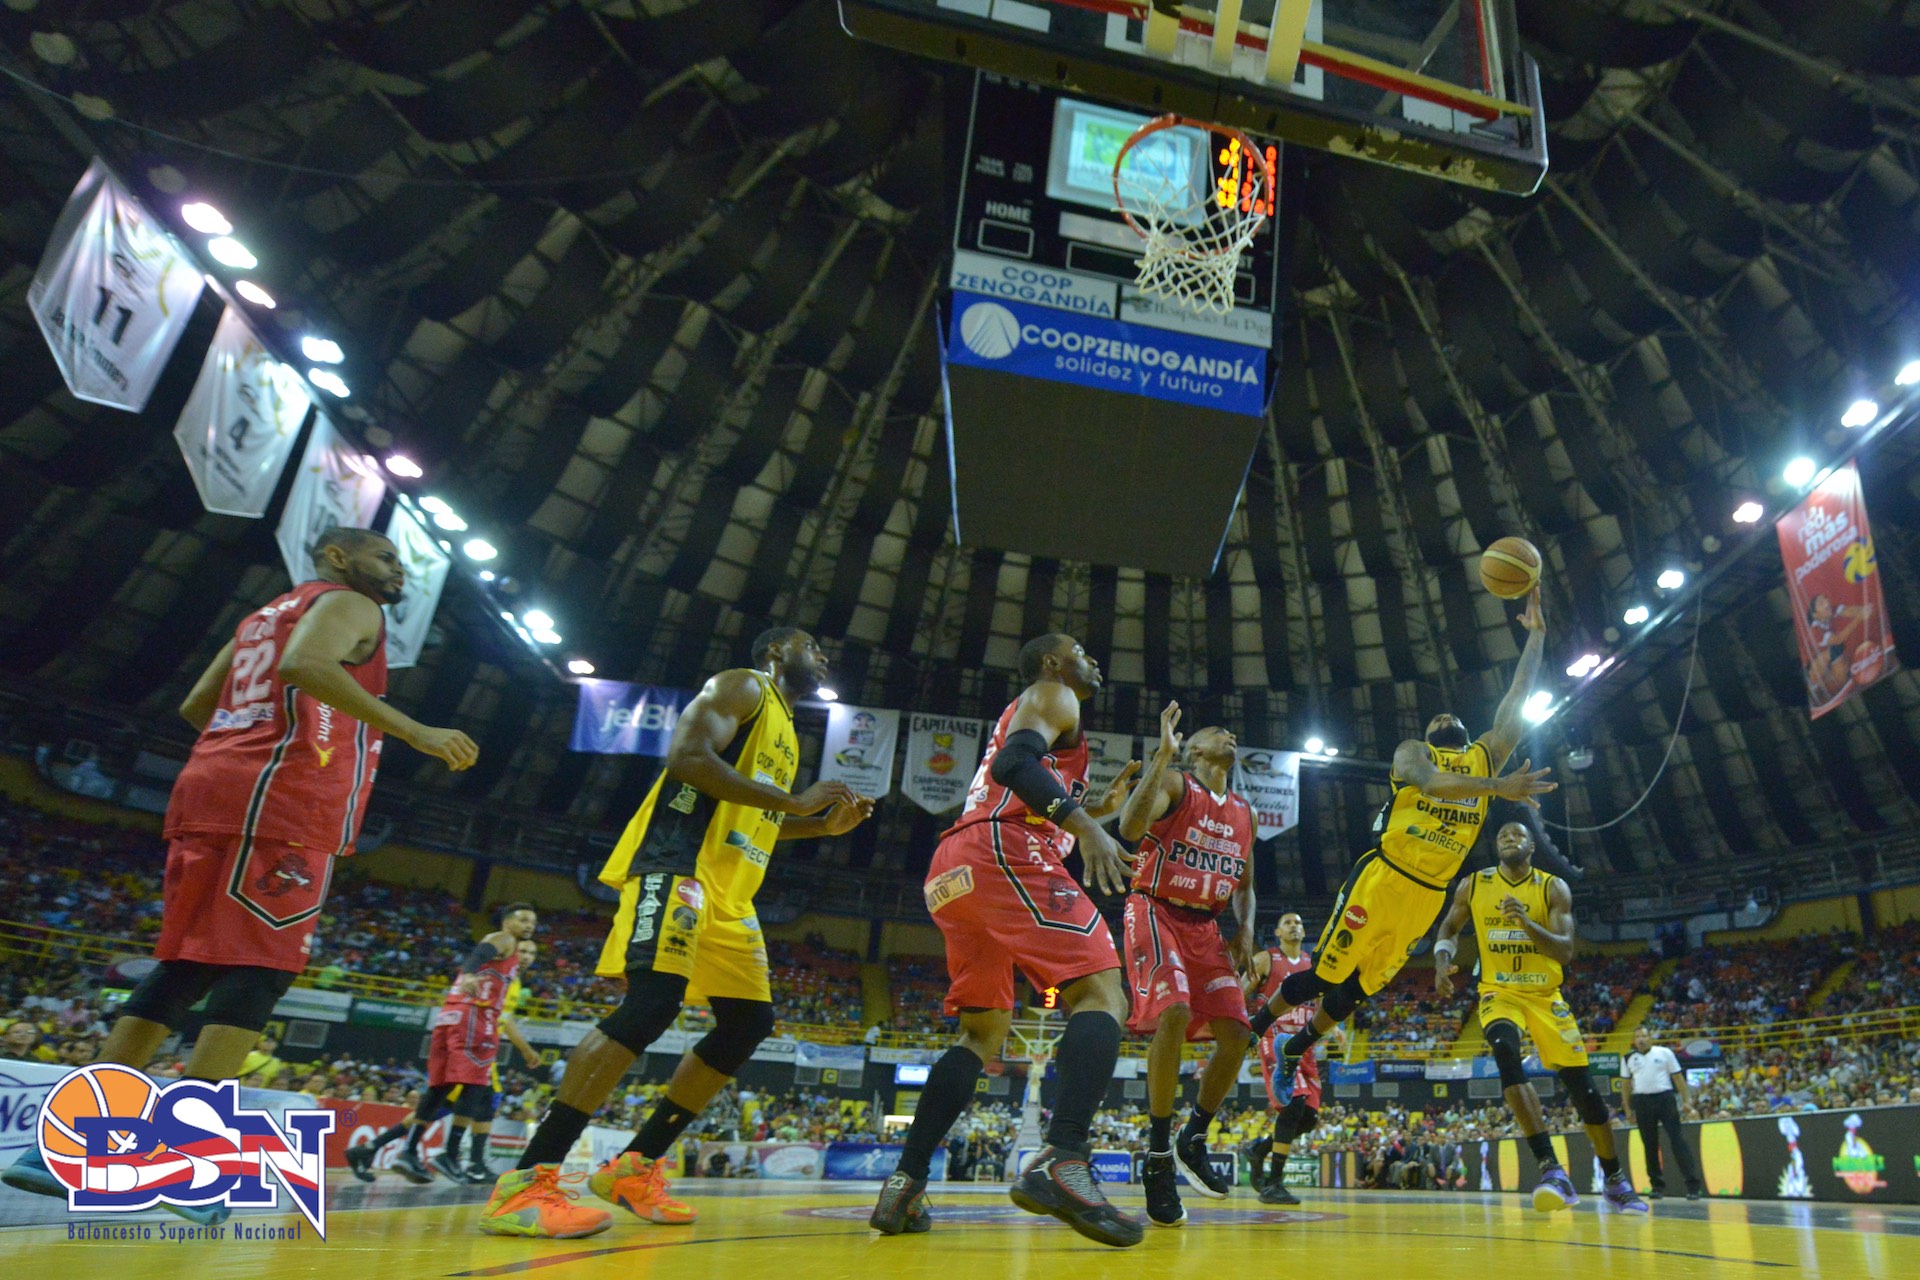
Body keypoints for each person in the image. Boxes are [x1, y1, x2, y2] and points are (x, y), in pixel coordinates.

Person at [1, 527, 477, 1223]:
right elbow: (307, 664)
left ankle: (64, 1145)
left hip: (212, 791)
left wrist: (247, 741)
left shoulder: (260, 617)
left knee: (183, 968)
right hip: (280, 805)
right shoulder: (351, 604)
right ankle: (191, 1166)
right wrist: (414, 730)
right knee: (258, 973)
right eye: (385, 556)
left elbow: (200, 704)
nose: (397, 571)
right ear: (338, 558)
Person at [478, 628, 872, 1239]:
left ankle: (634, 1168)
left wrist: (818, 828)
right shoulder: (744, 687)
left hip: (732, 893)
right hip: (679, 867)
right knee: (652, 1004)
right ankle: (526, 1181)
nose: (822, 656)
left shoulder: (789, 731)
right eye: (810, 645)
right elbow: (687, 759)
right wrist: (796, 804)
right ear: (775, 651)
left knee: (748, 1023)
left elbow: (752, 817)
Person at [869, 633, 1143, 1248]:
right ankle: (1063, 1157)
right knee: (1103, 994)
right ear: (1052, 662)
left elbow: (1025, 789)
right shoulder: (1054, 693)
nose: (1094, 659)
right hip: (1001, 851)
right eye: (1082, 651)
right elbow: (1012, 766)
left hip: (953, 871)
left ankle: (905, 1182)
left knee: (981, 1034)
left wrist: (1096, 807)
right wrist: (1089, 828)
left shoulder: (1048, 721)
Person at [1248, 587, 1554, 1090]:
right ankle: (1256, 1026)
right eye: (1436, 718)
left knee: (1360, 989)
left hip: (1428, 895)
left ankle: (1296, 1046)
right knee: (1326, 976)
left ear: (1465, 731)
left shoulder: (1484, 755)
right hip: (1384, 877)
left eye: (1451, 718)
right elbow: (1430, 783)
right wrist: (1498, 787)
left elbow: (1516, 698)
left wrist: (1536, 637)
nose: (1444, 717)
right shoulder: (1413, 752)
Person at [1434, 814, 1647, 1213]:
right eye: (1503, 834)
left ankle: (1615, 1179)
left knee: (1585, 1093)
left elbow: (1564, 951)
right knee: (1505, 1052)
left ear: (1532, 847)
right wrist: (1442, 963)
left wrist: (1526, 922)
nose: (1509, 837)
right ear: (1496, 846)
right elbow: (1448, 927)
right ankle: (1551, 1169)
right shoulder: (1474, 884)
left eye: (1518, 833)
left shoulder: (1553, 887)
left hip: (1545, 995)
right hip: (1498, 992)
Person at [1116, 700, 1255, 1226]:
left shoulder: (1245, 812)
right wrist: (1161, 758)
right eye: (1219, 730)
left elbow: (1246, 885)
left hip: (1206, 927)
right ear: (1194, 748)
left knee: (1238, 1034)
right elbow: (1130, 827)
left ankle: (1192, 1136)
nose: (1230, 734)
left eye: (1232, 731)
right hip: (1155, 907)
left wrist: (1246, 928)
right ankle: (1157, 1157)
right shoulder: (1176, 783)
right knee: (1173, 1011)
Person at [348, 905, 541, 1183]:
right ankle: (457, 1157)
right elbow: (482, 954)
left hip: (452, 1018)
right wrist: (470, 974)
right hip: (475, 1021)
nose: (529, 928)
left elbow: (503, 1011)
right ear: (508, 922)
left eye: (532, 952)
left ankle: (399, 1151)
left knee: (443, 1091)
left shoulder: (510, 972)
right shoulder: (504, 941)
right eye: (523, 920)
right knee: (478, 1093)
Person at [1242, 911, 1338, 1205]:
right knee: (1293, 1105)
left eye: (1298, 922)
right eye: (1288, 923)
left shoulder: (1313, 965)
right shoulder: (1265, 959)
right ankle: (1274, 1183)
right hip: (1275, 1038)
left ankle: (1260, 1150)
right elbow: (1239, 993)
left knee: (1308, 1118)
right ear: (1278, 932)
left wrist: (1335, 1028)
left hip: (1305, 1043)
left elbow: (1322, 1003)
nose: (1295, 926)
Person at [1624, 1026, 1703, 1200]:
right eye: (1637, 1037)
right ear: (1634, 1040)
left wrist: (1687, 1101)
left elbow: (1678, 1078)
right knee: (1649, 1145)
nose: (1641, 1039)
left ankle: (1693, 1186)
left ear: (1650, 1038)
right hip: (1641, 1101)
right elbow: (1625, 1086)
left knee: (1677, 1140)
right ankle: (1656, 1187)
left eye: (1644, 1036)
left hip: (1665, 1098)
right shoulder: (1628, 1058)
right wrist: (1628, 1109)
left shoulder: (1665, 1053)